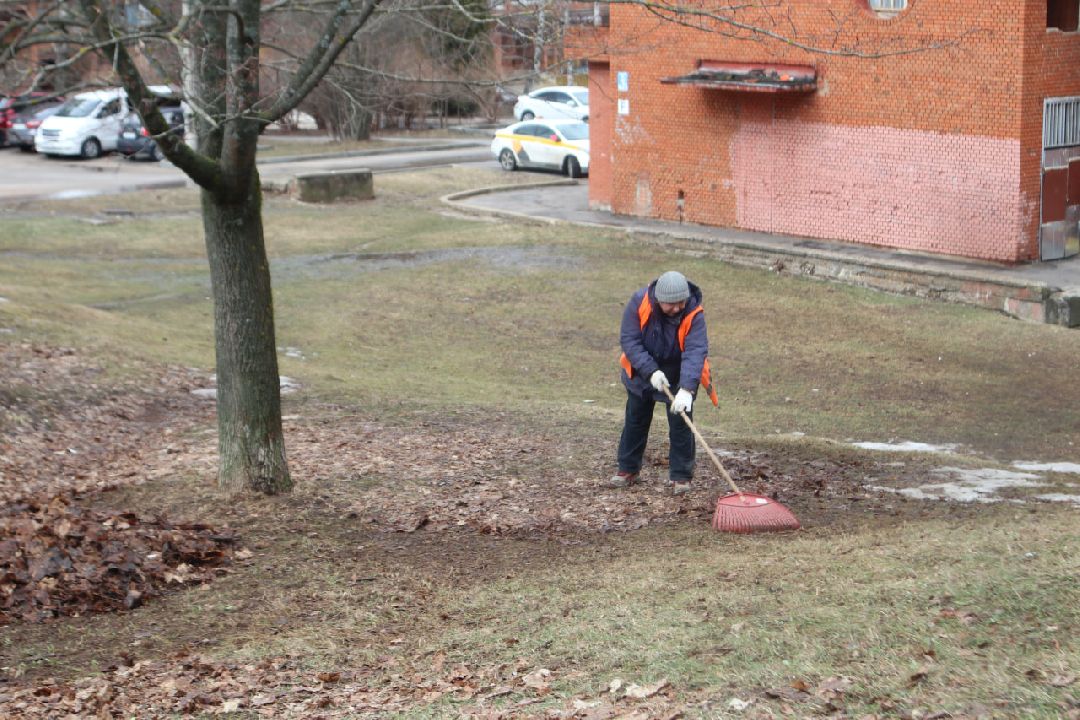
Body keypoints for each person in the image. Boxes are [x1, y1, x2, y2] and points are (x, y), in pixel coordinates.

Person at [610, 270, 719, 494]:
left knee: (681, 424)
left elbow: (696, 351)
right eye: (672, 304)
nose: (677, 308)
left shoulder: (694, 313)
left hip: (680, 372)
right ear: (659, 300)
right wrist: (650, 371)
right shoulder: (639, 303)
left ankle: (681, 476)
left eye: (681, 302)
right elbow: (630, 340)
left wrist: (687, 389)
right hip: (643, 370)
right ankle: (628, 469)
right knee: (636, 419)